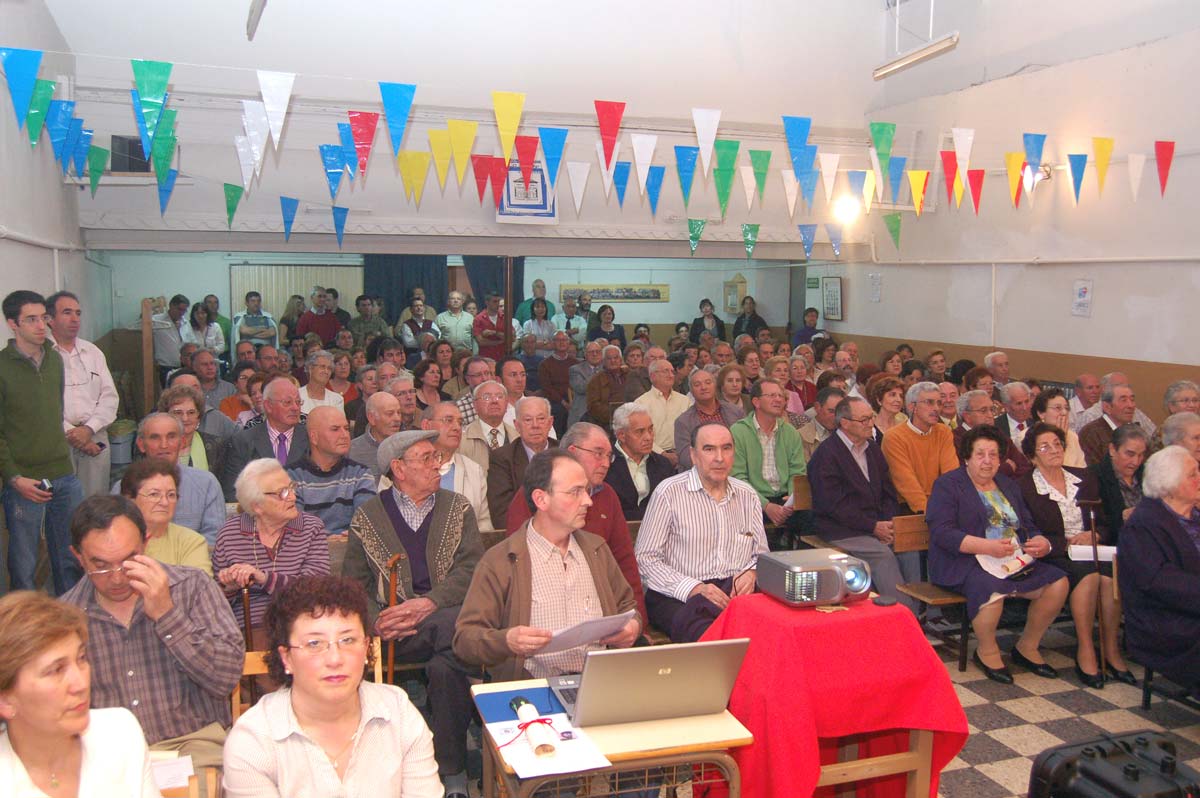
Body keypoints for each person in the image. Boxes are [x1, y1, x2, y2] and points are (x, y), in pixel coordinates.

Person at [342, 430, 483, 796]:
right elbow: (354, 584)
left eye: (436, 457)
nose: (437, 465)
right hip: (395, 635)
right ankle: (455, 770)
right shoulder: (368, 516)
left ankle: (448, 772)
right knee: (455, 642)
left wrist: (428, 604)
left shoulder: (458, 507)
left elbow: (471, 569)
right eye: (426, 458)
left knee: (443, 662)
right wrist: (379, 620)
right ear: (398, 469)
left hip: (442, 619)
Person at [63, 495, 243, 768]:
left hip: (193, 748)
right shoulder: (65, 616)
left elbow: (226, 678)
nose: (117, 577)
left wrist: (167, 615)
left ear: (146, 543)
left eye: (128, 560)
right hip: (108, 758)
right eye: (100, 565)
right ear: (78, 557)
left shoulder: (191, 587)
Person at [222, 575, 441, 797]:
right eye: (314, 643)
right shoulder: (254, 740)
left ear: (366, 648)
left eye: (347, 640)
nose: (335, 659)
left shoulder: (398, 713)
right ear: (286, 657)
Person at [455, 450, 641, 678]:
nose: (588, 501)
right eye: (575, 492)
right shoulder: (501, 561)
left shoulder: (596, 550)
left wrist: (632, 627)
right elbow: (465, 640)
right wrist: (506, 641)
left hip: (596, 681)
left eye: (587, 490)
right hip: (533, 686)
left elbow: (628, 608)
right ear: (541, 499)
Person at [926, 426, 1069, 684]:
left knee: (1058, 582)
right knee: (990, 588)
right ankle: (987, 650)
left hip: (1011, 559)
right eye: (980, 454)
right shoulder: (948, 485)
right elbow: (942, 533)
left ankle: (1027, 646)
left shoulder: (1007, 484)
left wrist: (1039, 541)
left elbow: (1027, 523)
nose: (987, 461)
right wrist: (985, 546)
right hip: (964, 560)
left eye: (993, 455)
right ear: (966, 457)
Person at [0, 591, 160, 797]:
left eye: (81, 658)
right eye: (56, 670)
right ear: (5, 700)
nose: (81, 683)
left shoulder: (120, 733)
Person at [1017, 422, 1129, 688]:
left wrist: (1095, 535)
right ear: (1032, 455)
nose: (1054, 450)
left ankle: (1111, 650)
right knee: (1090, 578)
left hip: (1089, 549)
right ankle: (1086, 649)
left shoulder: (1084, 477)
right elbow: (1027, 531)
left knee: (1109, 579)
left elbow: (1103, 521)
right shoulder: (1024, 487)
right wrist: (1065, 543)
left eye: (1057, 444)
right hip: (1053, 554)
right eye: (1045, 446)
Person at [636, 424, 768, 641]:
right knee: (717, 638)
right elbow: (645, 560)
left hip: (735, 591)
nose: (719, 458)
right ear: (693, 455)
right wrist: (694, 588)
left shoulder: (747, 495)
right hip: (681, 594)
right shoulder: (669, 493)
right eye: (709, 449)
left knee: (771, 627)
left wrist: (752, 573)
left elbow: (761, 555)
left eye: (726, 448)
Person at [505, 423, 648, 623]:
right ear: (572, 452)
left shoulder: (607, 495)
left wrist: (637, 620)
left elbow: (624, 561)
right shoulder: (536, 494)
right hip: (546, 611)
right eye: (598, 454)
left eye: (609, 456)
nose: (606, 463)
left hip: (602, 609)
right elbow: (517, 562)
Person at [1, 289, 84, 594]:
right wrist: (14, 478)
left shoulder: (54, 360)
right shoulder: (2, 367)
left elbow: (56, 411)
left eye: (44, 318)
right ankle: (23, 631)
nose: (41, 325)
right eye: (31, 319)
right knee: (24, 564)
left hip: (63, 473)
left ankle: (69, 620)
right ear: (12, 323)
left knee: (69, 556)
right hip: (26, 480)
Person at [807, 397, 916, 610]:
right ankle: (903, 616)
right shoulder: (827, 454)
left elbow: (888, 491)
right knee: (882, 555)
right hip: (841, 529)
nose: (870, 424)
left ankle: (924, 612)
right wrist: (873, 527)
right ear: (845, 423)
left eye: (871, 418)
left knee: (909, 546)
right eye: (864, 420)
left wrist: (887, 523)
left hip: (876, 524)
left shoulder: (872, 449)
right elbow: (833, 505)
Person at [213, 458, 331, 632]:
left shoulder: (310, 527)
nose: (292, 496)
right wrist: (229, 587)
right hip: (246, 630)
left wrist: (262, 578)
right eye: (282, 493)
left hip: (300, 625)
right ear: (257, 506)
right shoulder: (230, 533)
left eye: (292, 487)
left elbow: (315, 589)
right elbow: (215, 604)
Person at [1117, 445, 1200, 694]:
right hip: (1165, 619)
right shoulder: (1144, 525)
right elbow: (1158, 581)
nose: (1199, 478)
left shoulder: (1194, 514)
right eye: (1192, 474)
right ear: (1169, 485)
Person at [47, 290, 118, 498]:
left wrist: (88, 430)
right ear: (50, 319)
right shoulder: (43, 355)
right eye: (67, 313)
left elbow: (109, 397)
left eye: (78, 313)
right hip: (57, 439)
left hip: (94, 436)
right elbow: (42, 406)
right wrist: (73, 434)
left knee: (95, 502)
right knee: (60, 503)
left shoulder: (93, 352)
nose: (74, 319)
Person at [730, 380, 807, 549]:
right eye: (772, 395)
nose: (778, 400)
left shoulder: (790, 432)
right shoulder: (738, 431)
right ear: (756, 402)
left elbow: (798, 471)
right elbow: (738, 478)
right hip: (751, 499)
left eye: (781, 396)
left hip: (786, 499)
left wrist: (792, 499)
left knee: (814, 518)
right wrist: (766, 506)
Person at [127, 412, 225, 544]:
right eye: (155, 438)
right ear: (141, 444)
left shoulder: (206, 483)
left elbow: (215, 538)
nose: (163, 445)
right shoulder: (126, 485)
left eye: (171, 437)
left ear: (183, 442)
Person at [288, 406, 375, 539]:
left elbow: (367, 523)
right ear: (314, 437)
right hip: (306, 554)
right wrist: (326, 539)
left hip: (349, 552)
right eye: (335, 429)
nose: (345, 435)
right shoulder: (290, 476)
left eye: (346, 428)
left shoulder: (360, 474)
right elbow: (294, 527)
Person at [222, 376, 311, 500]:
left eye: (298, 402)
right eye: (287, 402)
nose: (295, 408)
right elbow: (232, 491)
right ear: (268, 406)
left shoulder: (311, 437)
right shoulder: (243, 440)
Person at [119, 458, 211, 575]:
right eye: (154, 494)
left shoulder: (191, 542)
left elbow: (199, 588)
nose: (164, 502)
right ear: (130, 499)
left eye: (171, 495)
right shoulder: (115, 538)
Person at [881, 382, 960, 514]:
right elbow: (906, 484)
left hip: (943, 503)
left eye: (938, 403)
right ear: (913, 406)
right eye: (929, 402)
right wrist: (930, 513)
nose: (936, 408)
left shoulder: (943, 431)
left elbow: (951, 475)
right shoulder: (894, 437)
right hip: (908, 507)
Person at [420, 402, 494, 531]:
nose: (456, 427)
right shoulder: (406, 466)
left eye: (460, 422)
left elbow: (484, 524)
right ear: (426, 425)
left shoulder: (474, 470)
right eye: (448, 420)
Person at [487, 396, 556, 520]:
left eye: (541, 419)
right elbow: (502, 513)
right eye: (528, 420)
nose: (535, 425)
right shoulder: (502, 458)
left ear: (550, 423)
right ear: (517, 425)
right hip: (522, 533)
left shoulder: (564, 454)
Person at [606, 403, 675, 521]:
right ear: (621, 435)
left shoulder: (663, 465)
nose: (648, 437)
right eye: (640, 431)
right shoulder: (605, 464)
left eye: (650, 429)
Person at [676, 368, 745, 470]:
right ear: (691, 391)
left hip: (736, 469)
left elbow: (745, 446)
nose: (703, 387)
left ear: (715, 385)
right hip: (702, 473)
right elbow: (686, 458)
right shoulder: (683, 422)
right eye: (697, 385)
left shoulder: (736, 412)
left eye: (708, 383)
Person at [954, 389, 1031, 480]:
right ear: (967, 416)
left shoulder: (998, 434)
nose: (990, 415)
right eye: (983, 411)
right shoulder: (956, 438)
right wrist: (1007, 467)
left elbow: (1024, 466)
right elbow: (971, 472)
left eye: (992, 409)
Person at [1091, 423, 1149, 541]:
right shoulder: (1094, 476)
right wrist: (1121, 517)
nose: (1136, 462)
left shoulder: (1148, 474)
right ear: (1112, 449)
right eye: (1130, 454)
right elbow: (1094, 522)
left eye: (1141, 455)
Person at [159, 383, 224, 475]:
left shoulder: (216, 444)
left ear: (199, 416)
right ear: (166, 415)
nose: (185, 418)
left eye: (191, 412)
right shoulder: (154, 444)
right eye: (178, 413)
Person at [635, 359, 689, 462]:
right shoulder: (641, 403)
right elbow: (640, 435)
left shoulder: (685, 400)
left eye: (672, 371)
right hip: (653, 457)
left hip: (683, 456)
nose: (671, 375)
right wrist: (663, 454)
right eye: (665, 371)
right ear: (652, 376)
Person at [459, 380, 516, 470]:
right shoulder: (461, 439)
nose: (494, 401)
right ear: (475, 405)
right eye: (486, 397)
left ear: (506, 403)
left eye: (499, 396)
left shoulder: (517, 436)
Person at [1079, 382, 1138, 465]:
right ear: (1107, 407)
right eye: (1123, 400)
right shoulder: (1091, 433)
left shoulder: (1136, 432)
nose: (1131, 405)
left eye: (1132, 400)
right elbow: (1093, 471)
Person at [349, 391, 403, 477]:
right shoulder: (351, 452)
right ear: (372, 418)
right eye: (390, 414)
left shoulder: (408, 447)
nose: (397, 419)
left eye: (399, 413)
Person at [1031, 387, 1086, 467]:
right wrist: (1061, 439)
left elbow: (1082, 469)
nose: (1064, 412)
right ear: (1041, 413)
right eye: (1058, 408)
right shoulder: (1028, 436)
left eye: (1066, 408)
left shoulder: (1073, 437)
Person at [538, 330, 577, 434]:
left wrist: (572, 402)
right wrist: (564, 403)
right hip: (555, 402)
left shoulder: (575, 363)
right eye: (558, 340)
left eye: (564, 340)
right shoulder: (545, 364)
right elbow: (547, 388)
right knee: (559, 411)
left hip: (574, 400)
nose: (561, 343)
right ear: (552, 343)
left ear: (568, 343)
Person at [151, 294, 195, 384]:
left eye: (184, 310)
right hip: (166, 366)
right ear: (171, 306)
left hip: (185, 366)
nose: (182, 313)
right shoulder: (156, 321)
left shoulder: (185, 323)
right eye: (179, 309)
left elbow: (192, 342)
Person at [585, 344, 628, 428]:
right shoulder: (595, 380)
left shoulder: (629, 375)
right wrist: (615, 415)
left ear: (621, 359)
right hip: (606, 422)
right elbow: (593, 406)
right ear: (603, 361)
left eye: (616, 358)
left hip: (631, 417)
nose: (613, 361)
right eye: (609, 358)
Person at [799, 386, 844, 463]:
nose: (836, 416)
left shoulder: (849, 433)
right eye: (831, 411)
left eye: (840, 412)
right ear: (817, 407)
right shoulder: (801, 436)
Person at [567, 340, 603, 427]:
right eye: (591, 352)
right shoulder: (575, 369)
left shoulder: (607, 368)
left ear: (602, 354)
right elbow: (581, 388)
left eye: (597, 352)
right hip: (583, 410)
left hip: (603, 411)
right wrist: (597, 373)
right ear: (585, 354)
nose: (595, 354)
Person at [451, 355, 495, 426]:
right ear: (467, 379)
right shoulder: (459, 408)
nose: (484, 379)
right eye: (478, 375)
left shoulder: (501, 399)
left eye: (487, 373)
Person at [299, 350, 344, 415]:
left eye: (329, 368)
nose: (326, 371)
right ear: (310, 368)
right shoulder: (297, 395)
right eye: (322, 367)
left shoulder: (336, 400)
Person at [866, 375, 907, 444]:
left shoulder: (905, 426)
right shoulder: (869, 427)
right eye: (892, 395)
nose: (898, 400)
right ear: (879, 400)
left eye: (901, 396)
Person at [994, 381, 1035, 449]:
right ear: (1006, 407)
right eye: (1019, 403)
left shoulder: (1035, 426)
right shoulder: (995, 428)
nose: (1024, 408)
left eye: (1027, 401)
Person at [399, 297, 439, 363]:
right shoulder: (406, 325)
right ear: (411, 309)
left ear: (424, 308)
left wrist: (419, 338)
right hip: (415, 358)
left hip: (431, 356)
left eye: (421, 306)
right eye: (416, 306)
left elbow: (438, 337)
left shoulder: (431, 323)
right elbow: (409, 343)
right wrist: (427, 341)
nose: (419, 308)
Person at [472, 292, 508, 362]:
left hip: (503, 357)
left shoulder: (504, 317)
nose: (497, 304)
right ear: (487, 302)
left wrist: (495, 333)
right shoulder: (478, 319)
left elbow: (511, 337)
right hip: (486, 359)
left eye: (498, 301)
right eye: (494, 301)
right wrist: (500, 342)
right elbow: (481, 342)